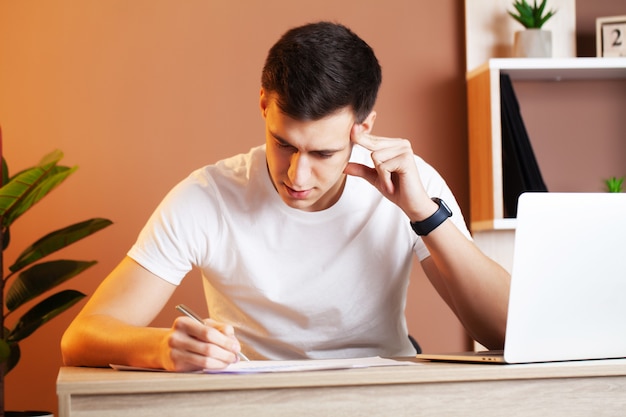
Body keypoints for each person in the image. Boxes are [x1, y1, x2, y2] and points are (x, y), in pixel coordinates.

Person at [61, 21, 510, 372]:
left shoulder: (410, 184)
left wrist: (423, 214)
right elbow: (80, 337)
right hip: (256, 402)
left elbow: (505, 333)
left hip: (380, 395)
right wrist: (161, 347)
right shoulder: (207, 197)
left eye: (323, 152)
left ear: (365, 128)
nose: (297, 174)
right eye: (284, 144)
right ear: (263, 104)